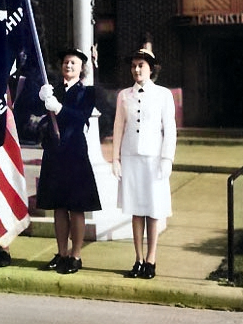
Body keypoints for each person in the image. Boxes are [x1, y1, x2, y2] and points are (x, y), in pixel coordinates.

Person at [112, 44, 177, 279]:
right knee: (136, 211)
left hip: (154, 160)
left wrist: (167, 159)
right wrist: (115, 158)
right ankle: (138, 259)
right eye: (133, 66)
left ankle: (151, 259)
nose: (137, 70)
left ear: (151, 69)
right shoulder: (124, 96)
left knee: (153, 209)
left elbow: (169, 129)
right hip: (131, 158)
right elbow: (119, 127)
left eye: (141, 66)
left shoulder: (163, 95)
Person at [36, 47, 101, 274]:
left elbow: (80, 117)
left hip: (74, 154)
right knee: (58, 206)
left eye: (73, 62)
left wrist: (59, 108)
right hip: (55, 153)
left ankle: (76, 255)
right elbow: (38, 115)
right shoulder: (52, 90)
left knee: (76, 206)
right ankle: (61, 253)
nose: (68, 65)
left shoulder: (87, 92)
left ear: (81, 67)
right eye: (65, 62)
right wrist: (42, 99)